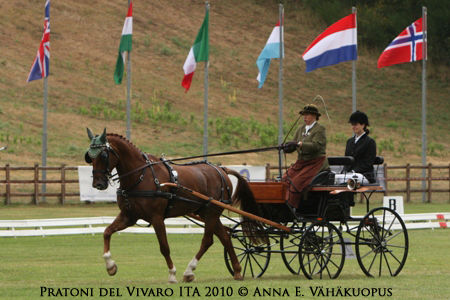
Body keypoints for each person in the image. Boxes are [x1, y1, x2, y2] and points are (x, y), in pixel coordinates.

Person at [282, 104, 330, 208]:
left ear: (314, 116)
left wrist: (299, 144)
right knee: (285, 179)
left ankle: (291, 206)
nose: (304, 117)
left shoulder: (320, 128)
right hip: (301, 163)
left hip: (315, 162)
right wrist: (286, 147)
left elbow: (316, 146)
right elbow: (294, 145)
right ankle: (281, 204)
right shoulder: (300, 129)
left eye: (307, 115)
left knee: (296, 182)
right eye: (303, 115)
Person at [344, 111, 377, 183]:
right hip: (350, 175)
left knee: (348, 180)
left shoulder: (370, 142)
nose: (353, 127)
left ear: (363, 125)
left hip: (364, 175)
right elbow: (346, 161)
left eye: (355, 124)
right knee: (336, 179)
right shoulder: (349, 141)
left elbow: (368, 163)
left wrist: (353, 171)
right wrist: (344, 171)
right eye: (352, 125)